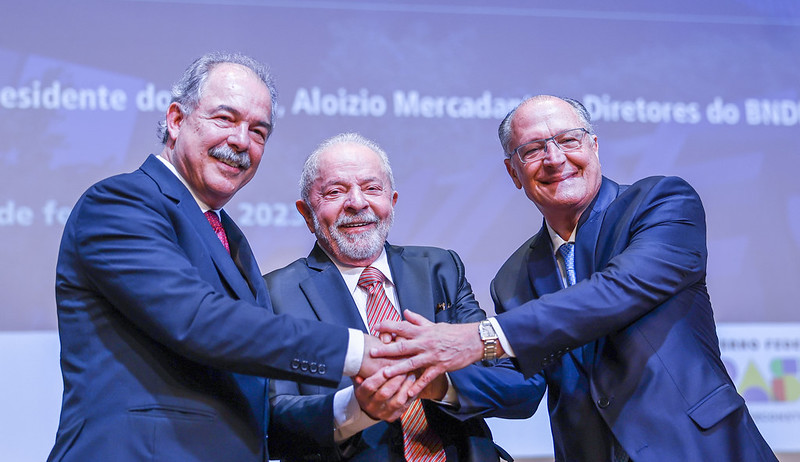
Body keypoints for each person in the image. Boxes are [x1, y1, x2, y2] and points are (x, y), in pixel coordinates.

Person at [373, 95, 777, 461]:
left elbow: (617, 291)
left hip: (702, 449)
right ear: (514, 172)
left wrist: (479, 338)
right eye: (532, 149)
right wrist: (433, 381)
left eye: (569, 140)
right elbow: (523, 386)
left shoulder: (660, 203)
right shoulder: (512, 279)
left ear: (594, 147)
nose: (554, 158)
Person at [47, 53, 389, 462]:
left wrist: (360, 408)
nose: (242, 141)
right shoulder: (120, 202)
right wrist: (358, 352)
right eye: (225, 119)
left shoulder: (229, 237)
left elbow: (250, 413)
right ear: (176, 120)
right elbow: (197, 320)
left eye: (258, 130)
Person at [264, 132, 541, 462]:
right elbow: (271, 420)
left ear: (392, 202)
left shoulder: (440, 269)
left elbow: (521, 388)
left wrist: (440, 386)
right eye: (335, 191)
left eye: (371, 188)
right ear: (306, 212)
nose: (357, 202)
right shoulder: (274, 294)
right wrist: (358, 406)